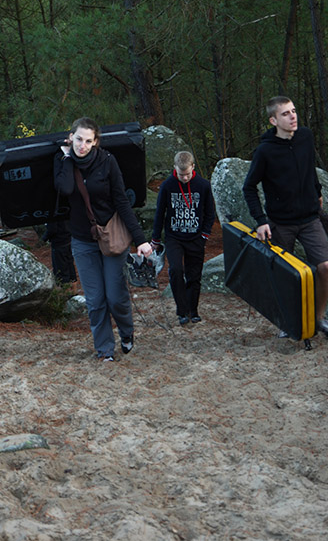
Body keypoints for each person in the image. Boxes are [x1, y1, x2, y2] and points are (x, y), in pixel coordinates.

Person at [54, 117, 152, 361]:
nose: (82, 145)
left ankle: (127, 332)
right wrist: (66, 157)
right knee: (96, 300)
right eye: (78, 139)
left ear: (96, 142)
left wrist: (140, 239)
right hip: (82, 241)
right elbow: (65, 189)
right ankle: (105, 350)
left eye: (88, 141)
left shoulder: (107, 162)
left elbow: (121, 200)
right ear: (70, 138)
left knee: (116, 297)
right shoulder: (63, 162)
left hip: (112, 238)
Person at [242, 95, 328, 340]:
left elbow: (310, 170)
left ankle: (319, 318)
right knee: (286, 276)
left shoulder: (306, 137)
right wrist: (261, 221)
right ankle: (288, 320)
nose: (293, 116)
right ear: (273, 120)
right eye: (285, 113)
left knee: (325, 267)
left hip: (309, 219)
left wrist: (317, 193)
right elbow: (249, 187)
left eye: (294, 111)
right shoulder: (264, 151)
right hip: (280, 224)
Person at [151, 150, 216, 325]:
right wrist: (155, 239)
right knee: (176, 271)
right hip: (174, 237)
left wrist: (204, 234)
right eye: (181, 174)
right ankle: (182, 311)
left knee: (194, 276)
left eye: (187, 174)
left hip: (196, 237)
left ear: (193, 167)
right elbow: (160, 213)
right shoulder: (167, 186)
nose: (184, 178)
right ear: (175, 169)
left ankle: (193, 310)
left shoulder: (203, 185)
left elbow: (210, 212)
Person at [42, 218, 77, 284]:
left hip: (58, 243)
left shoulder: (52, 213)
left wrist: (44, 238)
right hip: (68, 240)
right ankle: (74, 289)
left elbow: (52, 229)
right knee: (70, 266)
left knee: (61, 270)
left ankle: (65, 290)